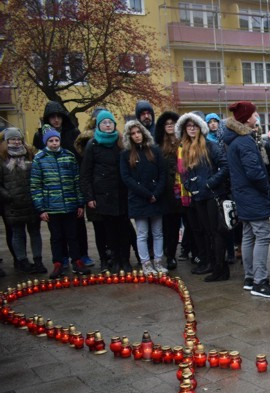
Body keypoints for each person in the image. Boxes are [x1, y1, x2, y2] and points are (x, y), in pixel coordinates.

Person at [224, 101, 270, 298]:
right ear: (247, 118)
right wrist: (267, 190)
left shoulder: (234, 140)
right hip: (253, 196)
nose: (257, 117)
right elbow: (255, 173)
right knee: (263, 235)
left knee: (248, 235)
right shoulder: (245, 141)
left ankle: (250, 278)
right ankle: (260, 281)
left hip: (243, 195)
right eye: (255, 114)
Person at [176, 112, 230, 281]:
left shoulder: (210, 146)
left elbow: (225, 166)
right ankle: (213, 264)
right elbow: (184, 173)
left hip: (213, 195)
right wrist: (190, 186)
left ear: (200, 128)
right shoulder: (186, 148)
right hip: (198, 197)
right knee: (207, 232)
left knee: (216, 233)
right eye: (189, 126)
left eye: (194, 126)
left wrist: (209, 183)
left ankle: (221, 269)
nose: (192, 129)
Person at [30, 130, 89, 278]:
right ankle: (58, 263)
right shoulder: (39, 158)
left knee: (73, 236)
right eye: (51, 141)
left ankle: (77, 261)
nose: (54, 143)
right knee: (56, 237)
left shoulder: (68, 156)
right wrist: (41, 208)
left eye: (56, 140)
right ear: (46, 142)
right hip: (51, 207)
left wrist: (80, 203)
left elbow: (77, 181)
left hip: (69, 205)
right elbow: (36, 185)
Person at [80, 110, 133, 273]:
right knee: (109, 231)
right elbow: (86, 173)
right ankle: (114, 260)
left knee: (124, 230)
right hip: (103, 195)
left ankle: (125, 260)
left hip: (121, 194)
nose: (108, 125)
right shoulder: (93, 144)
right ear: (98, 126)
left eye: (110, 122)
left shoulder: (121, 142)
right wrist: (89, 196)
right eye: (104, 123)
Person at [120, 120, 167, 275]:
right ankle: (146, 263)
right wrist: (147, 194)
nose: (136, 136)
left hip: (156, 197)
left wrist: (156, 193)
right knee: (142, 233)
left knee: (158, 232)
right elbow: (126, 178)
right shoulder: (126, 154)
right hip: (139, 198)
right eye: (133, 133)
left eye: (138, 132)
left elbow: (163, 174)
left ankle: (158, 261)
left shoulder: (155, 150)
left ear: (143, 133)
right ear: (129, 136)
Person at [0, 128, 48, 274]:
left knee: (35, 232)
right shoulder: (2, 159)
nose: (16, 141)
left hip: (31, 201)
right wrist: (8, 196)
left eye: (18, 139)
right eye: (12, 139)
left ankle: (38, 261)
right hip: (13, 204)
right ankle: (22, 261)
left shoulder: (30, 155)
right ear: (6, 141)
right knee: (18, 233)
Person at [154, 111, 184, 270]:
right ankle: (170, 254)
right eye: (167, 123)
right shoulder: (158, 146)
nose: (170, 126)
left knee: (181, 224)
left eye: (173, 123)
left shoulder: (182, 142)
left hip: (182, 189)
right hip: (166, 191)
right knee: (168, 226)